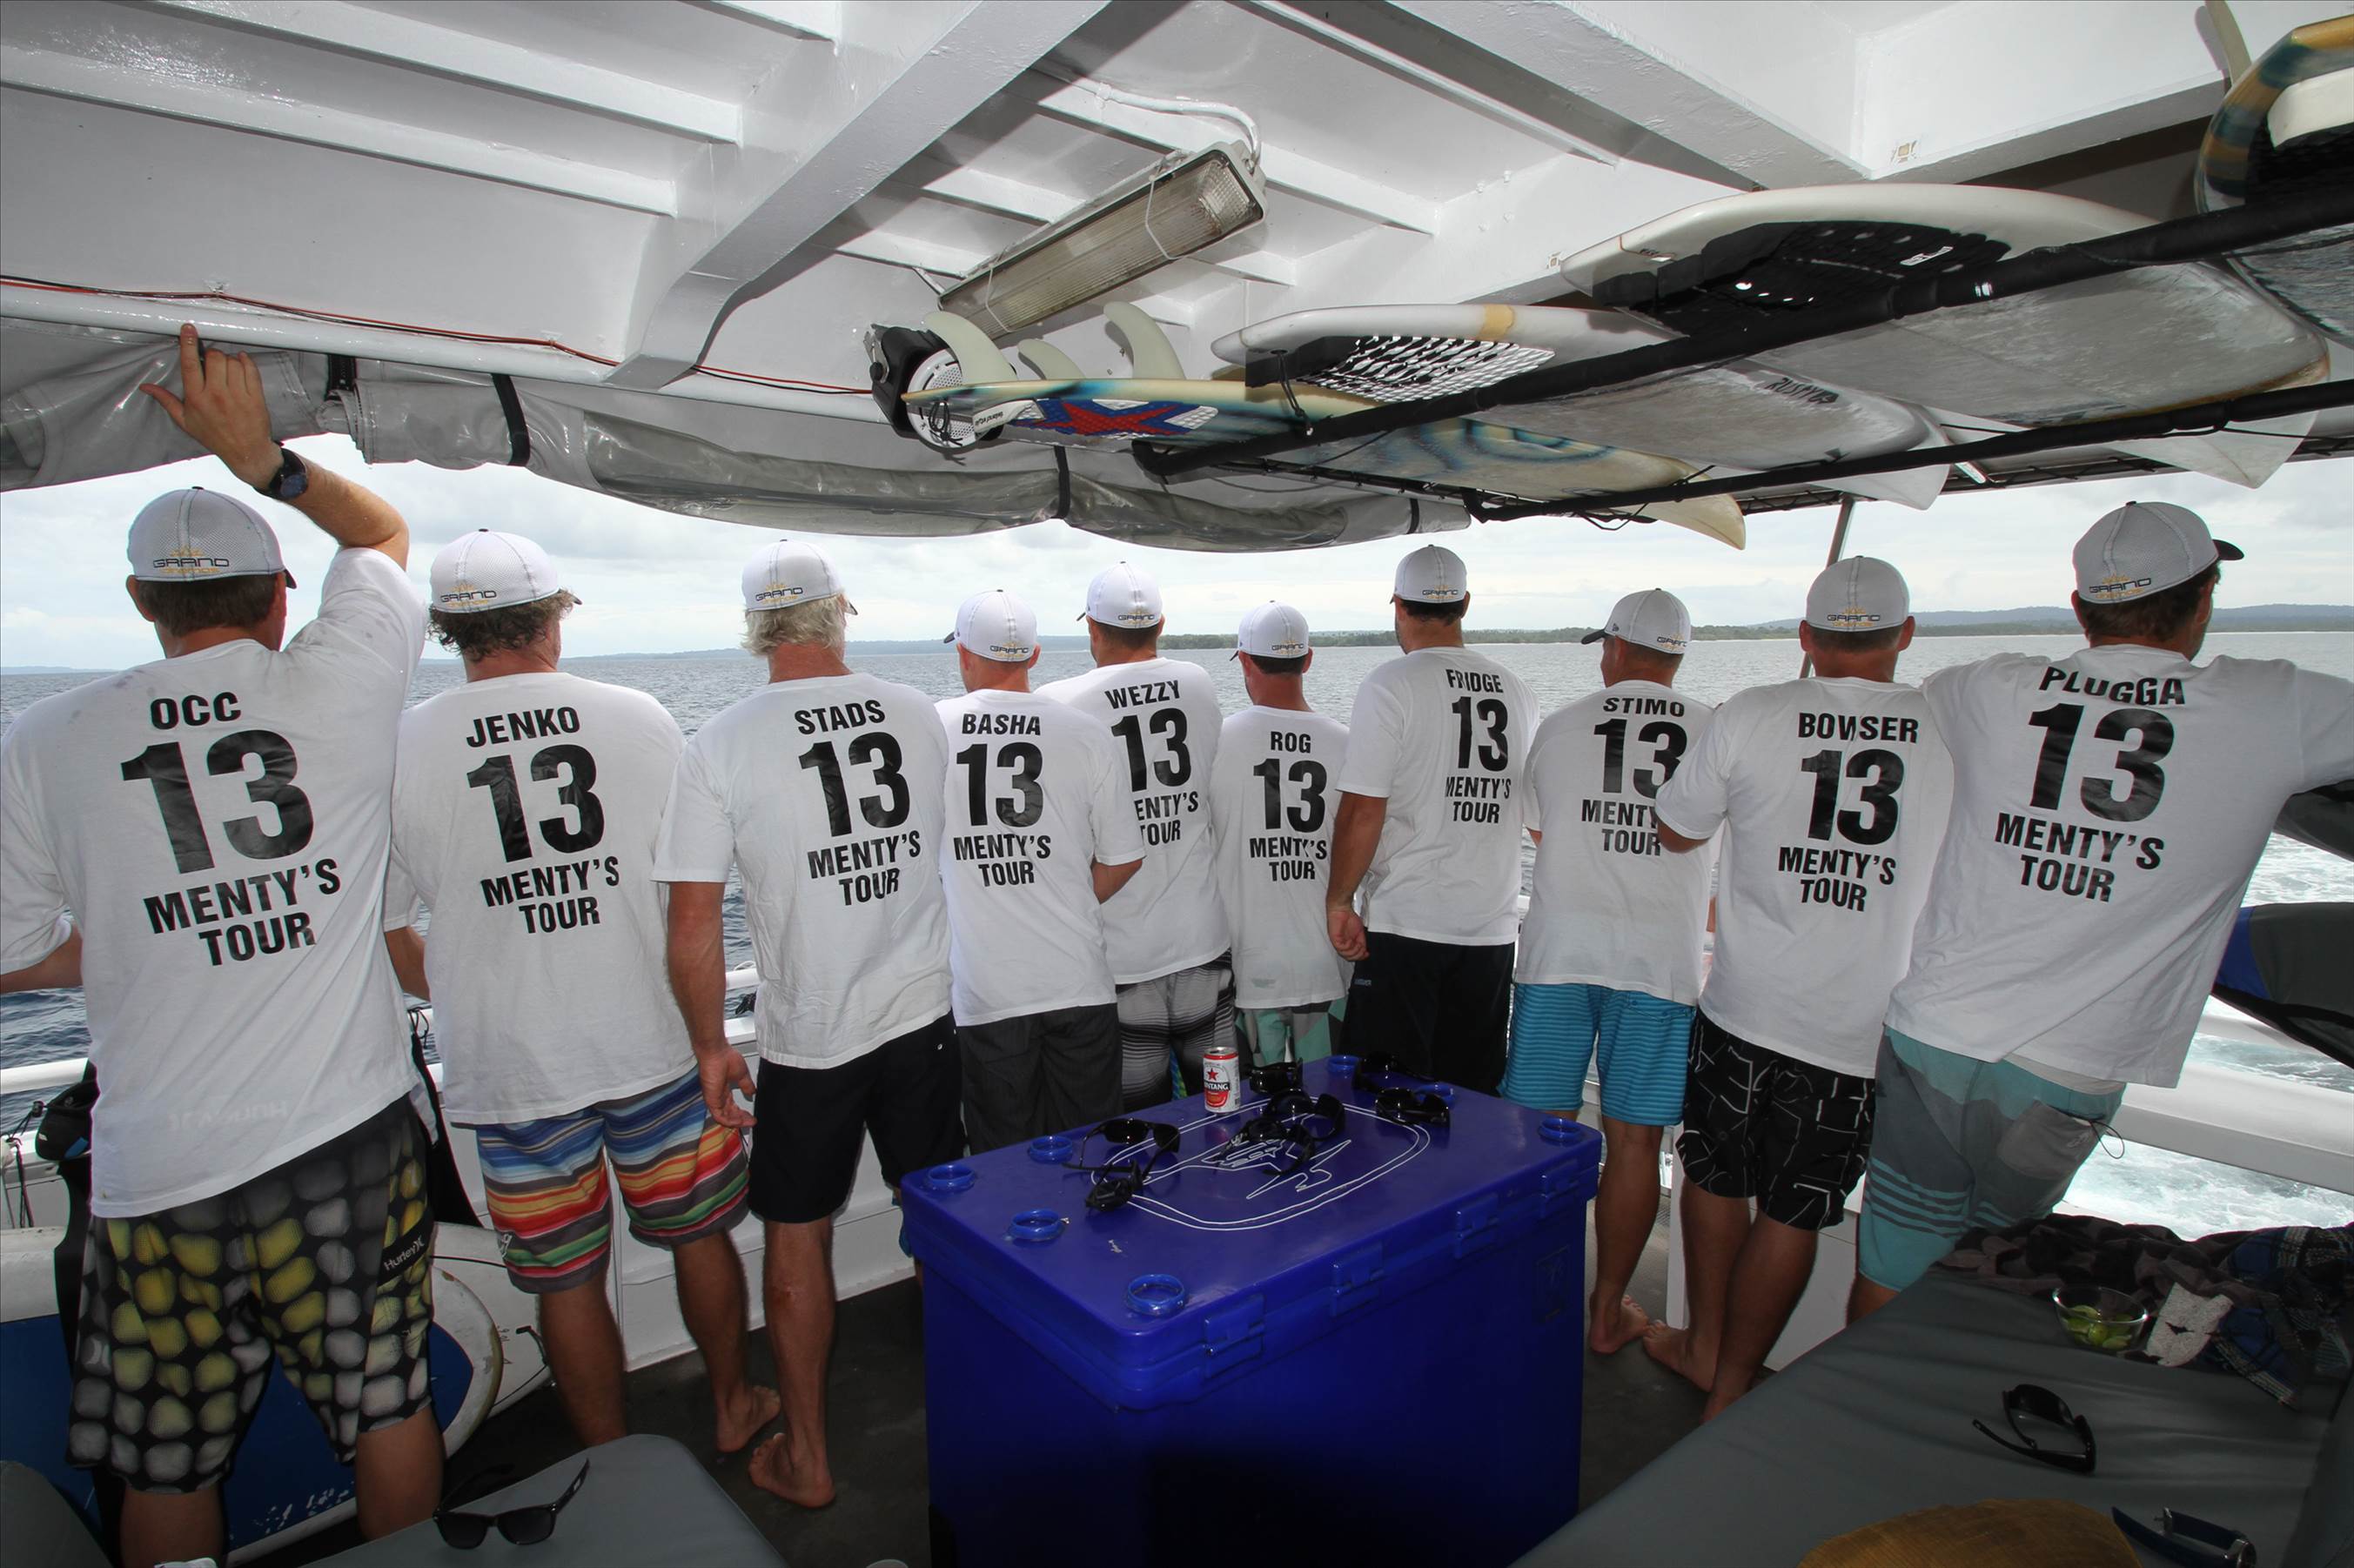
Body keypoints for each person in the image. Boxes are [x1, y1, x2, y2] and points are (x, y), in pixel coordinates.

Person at [0, 327, 442, 1565]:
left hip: (162, 1171)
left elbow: (13, 948)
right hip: (347, 1134)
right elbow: (384, 536)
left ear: (142, 603)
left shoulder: (45, 738)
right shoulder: (341, 684)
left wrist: (133, 932)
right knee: (387, 1403)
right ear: (280, 595)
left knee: (169, 1459)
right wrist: (268, 464)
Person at [1856, 503, 2354, 1315]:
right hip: (2069, 1063)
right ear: (2203, 600)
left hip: (1934, 1034)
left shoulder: (1985, 686)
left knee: (1892, 1258)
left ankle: (1855, 1394)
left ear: (2081, 607)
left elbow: (1930, 695)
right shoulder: (2277, 706)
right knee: (1997, 1271)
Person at [382, 531, 772, 1456]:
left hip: (512, 1070)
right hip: (653, 1046)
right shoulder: (638, 716)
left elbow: (395, 935)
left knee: (565, 1281)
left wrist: (482, 991)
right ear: (552, 619)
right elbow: (691, 894)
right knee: (700, 1236)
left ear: (449, 630)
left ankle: (611, 1462)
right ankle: (732, 1406)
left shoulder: (397, 745)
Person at [656, 539, 962, 1508]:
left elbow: (693, 920)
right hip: (921, 1013)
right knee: (937, 1216)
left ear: (756, 629)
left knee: (796, 1235)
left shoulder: (719, 741)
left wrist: (711, 1046)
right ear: (840, 611)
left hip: (813, 1035)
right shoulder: (916, 712)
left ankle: (809, 1458)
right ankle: (973, 1411)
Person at [1647, 557, 1953, 1420]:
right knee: (1793, 1209)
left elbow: (1675, 829)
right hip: (1857, 1027)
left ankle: (1701, 1348)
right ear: (1904, 635)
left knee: (1714, 1174)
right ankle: (1731, 1388)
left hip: (1744, 1005)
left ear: (1805, 636)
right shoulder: (1947, 726)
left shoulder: (1752, 711)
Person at [1502, 588, 1718, 1357]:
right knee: (1633, 1144)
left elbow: (1540, 828)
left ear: (1616, 649)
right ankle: (1605, 1313)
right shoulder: (1715, 729)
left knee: (1539, 1134)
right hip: (1658, 965)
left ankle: (1527, 1298)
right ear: (1678, 654)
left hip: (1560, 955)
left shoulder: (1560, 725)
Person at [937, 589, 1145, 1150]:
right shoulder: (1085, 731)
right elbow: (1125, 856)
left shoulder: (934, 728)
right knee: (1093, 1153)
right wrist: (1065, 898)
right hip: (1078, 981)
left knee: (1004, 1163)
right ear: (1033, 655)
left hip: (986, 992)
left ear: (963, 653)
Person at [1325, 544, 1537, 1092]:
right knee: (1470, 1097)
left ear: (1398, 605)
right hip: (1490, 931)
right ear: (1464, 604)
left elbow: (1363, 808)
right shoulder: (1518, 691)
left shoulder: (1391, 683)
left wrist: (1339, 901)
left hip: (1409, 925)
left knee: (1384, 1097)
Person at [1039, 563, 1231, 1105]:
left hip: (1120, 954)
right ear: (1160, 625)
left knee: (1140, 1127)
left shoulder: (1060, 701)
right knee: (1222, 1110)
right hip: (1201, 939)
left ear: (1092, 629)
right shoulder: (1198, 682)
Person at [1208, 603, 1351, 1065]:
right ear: (1307, 660)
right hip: (1326, 960)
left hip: (1247, 962)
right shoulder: (1348, 743)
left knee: (1252, 1102)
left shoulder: (1216, 742)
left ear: (1245, 661)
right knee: (1330, 1097)